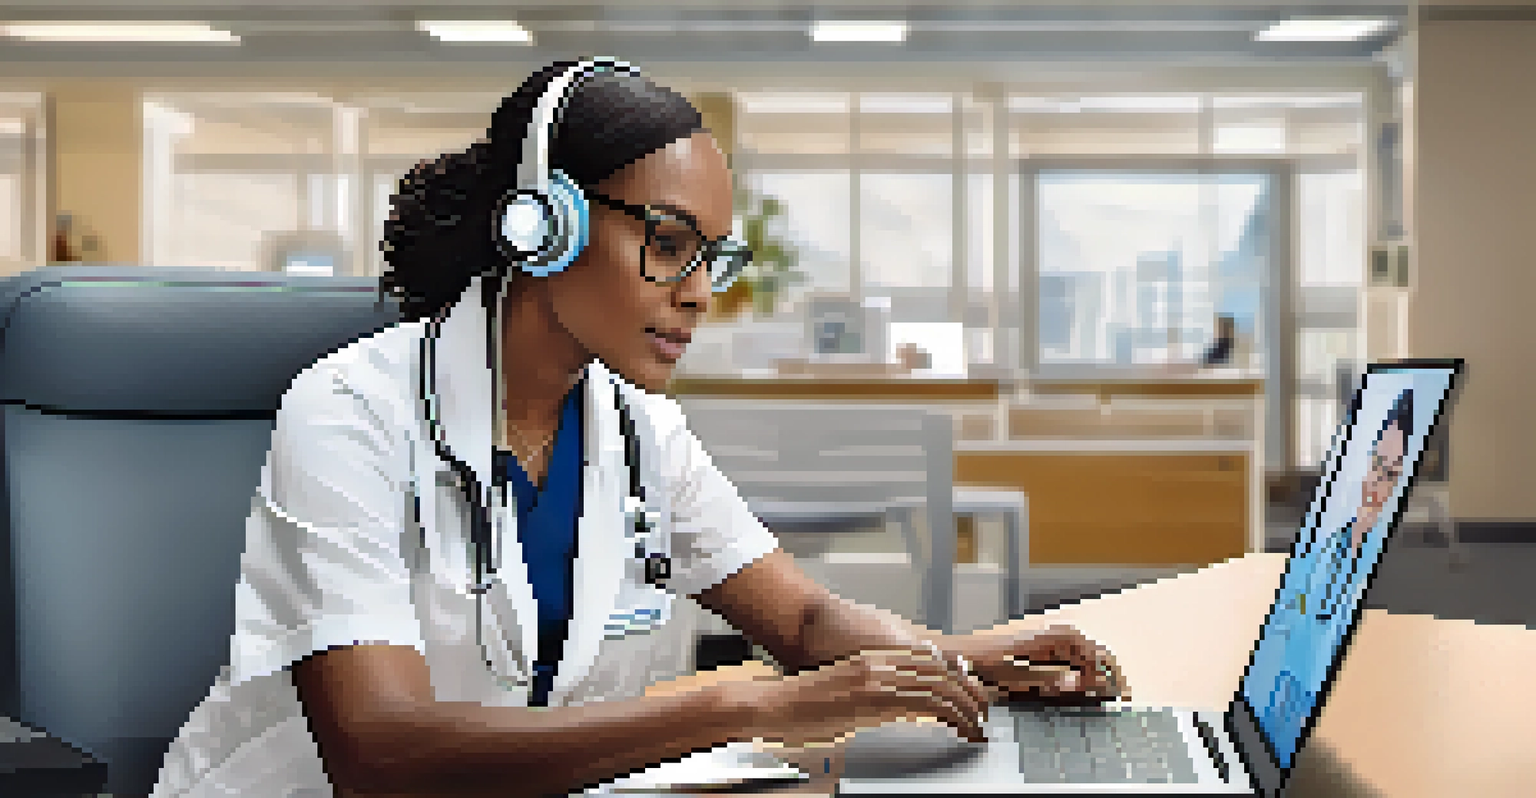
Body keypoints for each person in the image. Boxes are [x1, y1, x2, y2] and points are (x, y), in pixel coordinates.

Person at [151, 58, 1124, 798]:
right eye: (667, 243)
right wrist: (744, 704)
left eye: (713, 258)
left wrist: (963, 659)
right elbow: (379, 751)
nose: (698, 293)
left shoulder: (640, 431)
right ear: (546, 226)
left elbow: (800, 622)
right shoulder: (350, 411)